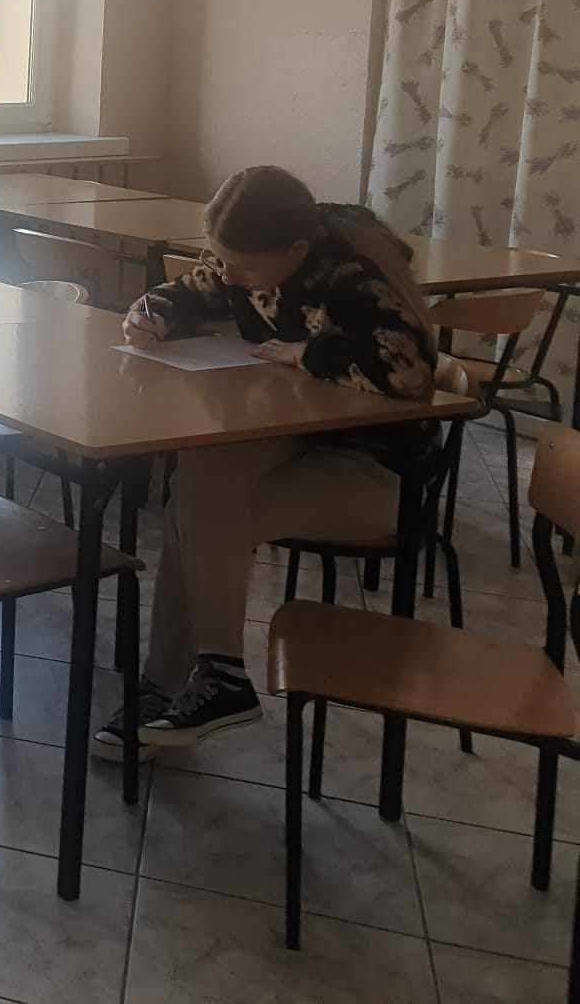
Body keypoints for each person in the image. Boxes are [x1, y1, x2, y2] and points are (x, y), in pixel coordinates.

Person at [92, 165, 437, 761]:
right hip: (300, 439)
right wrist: (151, 313)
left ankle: (183, 682)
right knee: (198, 476)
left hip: (375, 473)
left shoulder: (353, 277)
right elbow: (193, 289)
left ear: (297, 250)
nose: (229, 276)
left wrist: (308, 354)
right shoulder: (247, 261)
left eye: (243, 267)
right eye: (222, 259)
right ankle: (200, 680)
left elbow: (408, 373)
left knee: (200, 514)